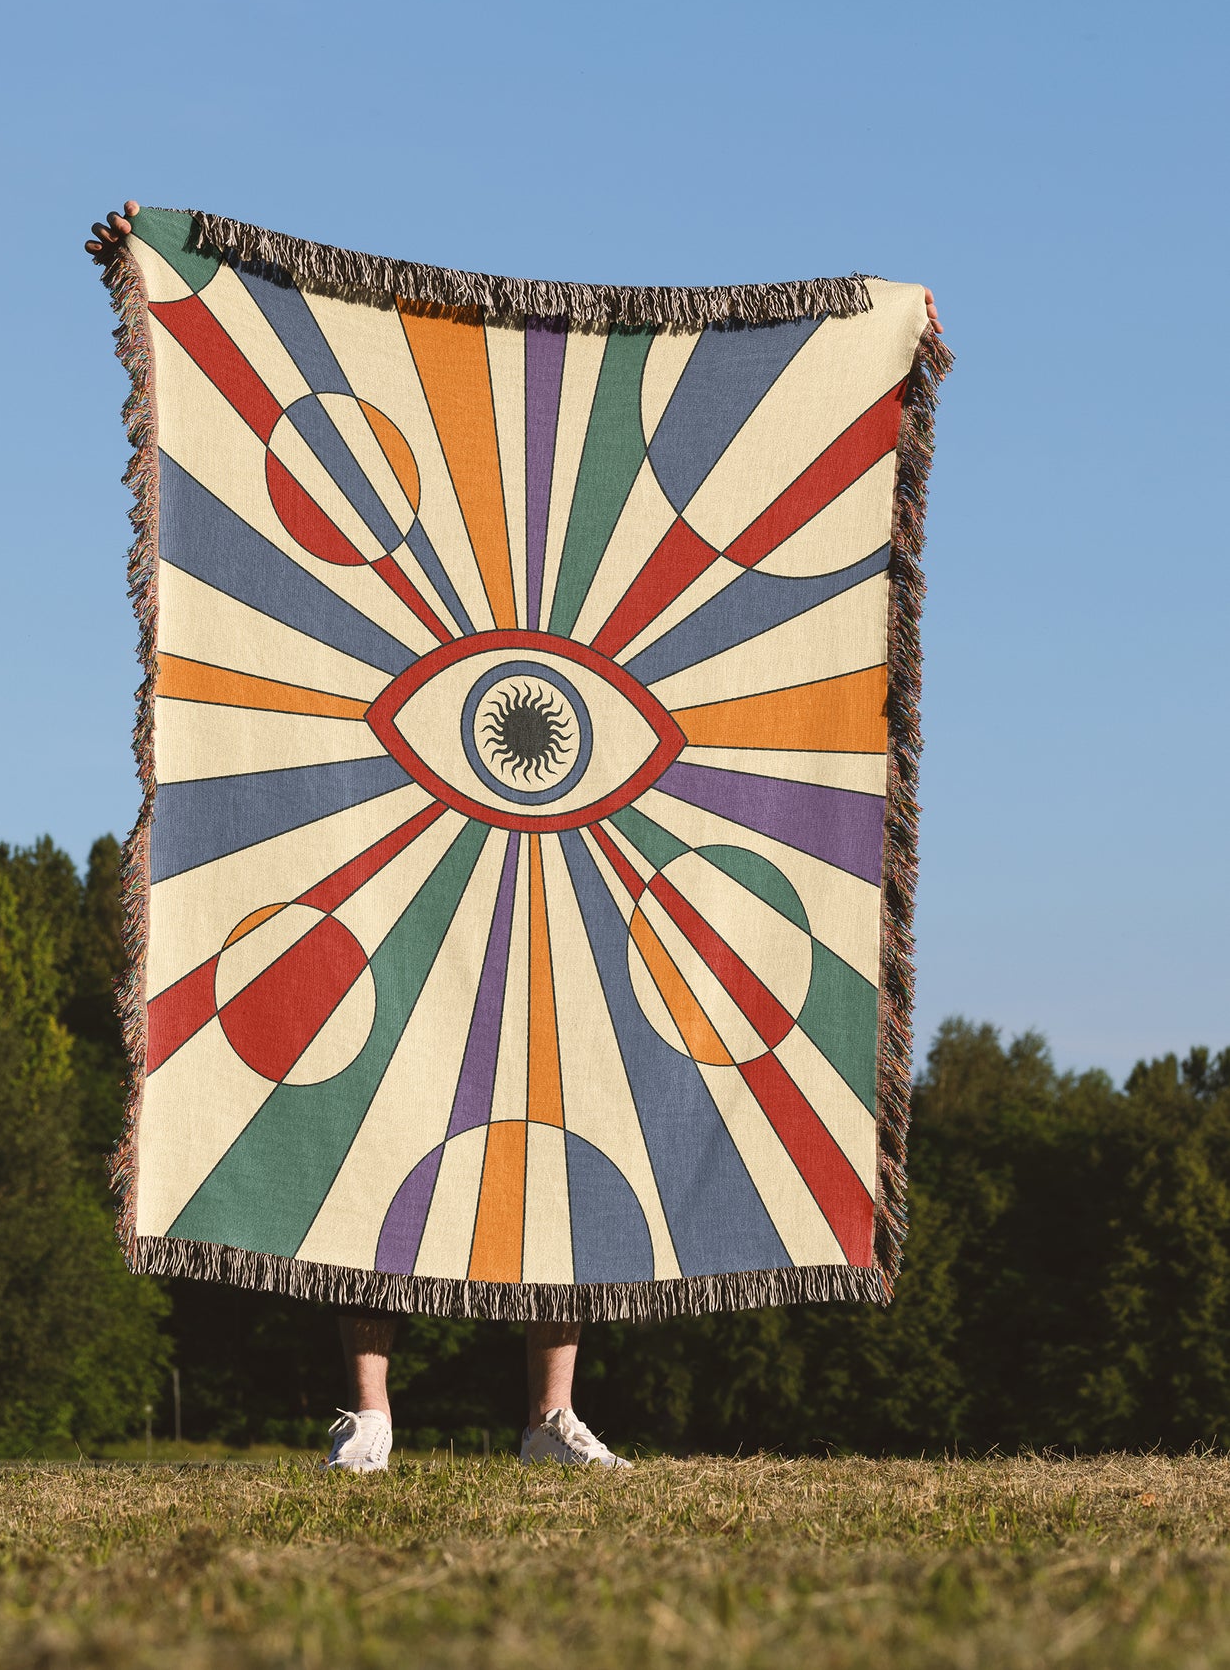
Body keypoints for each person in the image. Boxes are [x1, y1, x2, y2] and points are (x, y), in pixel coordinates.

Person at [87, 202, 944, 1472]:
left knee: (571, 1097)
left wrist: (884, 331)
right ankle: (369, 1414)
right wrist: (153, 249)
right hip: (404, 854)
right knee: (364, 1104)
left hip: (558, 883)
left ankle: (548, 1417)